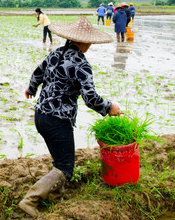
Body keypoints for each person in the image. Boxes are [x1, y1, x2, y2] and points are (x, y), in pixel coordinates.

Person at [19, 16, 123, 217]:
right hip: (58, 120)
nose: (90, 45)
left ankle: (56, 195)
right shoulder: (81, 64)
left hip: (41, 115)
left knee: (60, 160)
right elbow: (91, 98)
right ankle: (30, 200)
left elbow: (37, 74)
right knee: (65, 167)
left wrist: (31, 89)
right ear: (83, 41)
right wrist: (110, 108)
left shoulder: (56, 53)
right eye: (90, 42)